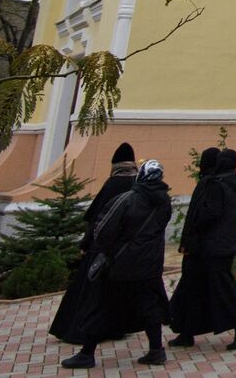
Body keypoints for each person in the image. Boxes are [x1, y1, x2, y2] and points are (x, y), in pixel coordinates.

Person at [60, 160, 174, 369]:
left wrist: (107, 250)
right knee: (149, 305)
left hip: (122, 264)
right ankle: (156, 350)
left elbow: (103, 230)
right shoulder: (164, 202)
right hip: (150, 263)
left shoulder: (128, 200)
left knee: (103, 304)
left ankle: (87, 353)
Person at [50, 142, 139, 344]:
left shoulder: (113, 183)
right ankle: (117, 327)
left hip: (102, 249)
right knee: (118, 291)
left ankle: (79, 330)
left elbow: (98, 217)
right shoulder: (137, 184)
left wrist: (86, 242)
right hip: (125, 249)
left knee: (91, 292)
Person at [175, 149, 236, 349]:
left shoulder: (217, 185)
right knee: (194, 287)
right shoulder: (235, 184)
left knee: (220, 288)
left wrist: (192, 233)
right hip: (222, 244)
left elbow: (208, 214)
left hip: (209, 246)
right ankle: (186, 331)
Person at [165, 146, 221, 347]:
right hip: (203, 247)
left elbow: (197, 217)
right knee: (193, 290)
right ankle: (185, 329)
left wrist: (188, 241)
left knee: (191, 290)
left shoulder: (209, 184)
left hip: (198, 248)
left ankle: (185, 329)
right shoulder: (214, 183)